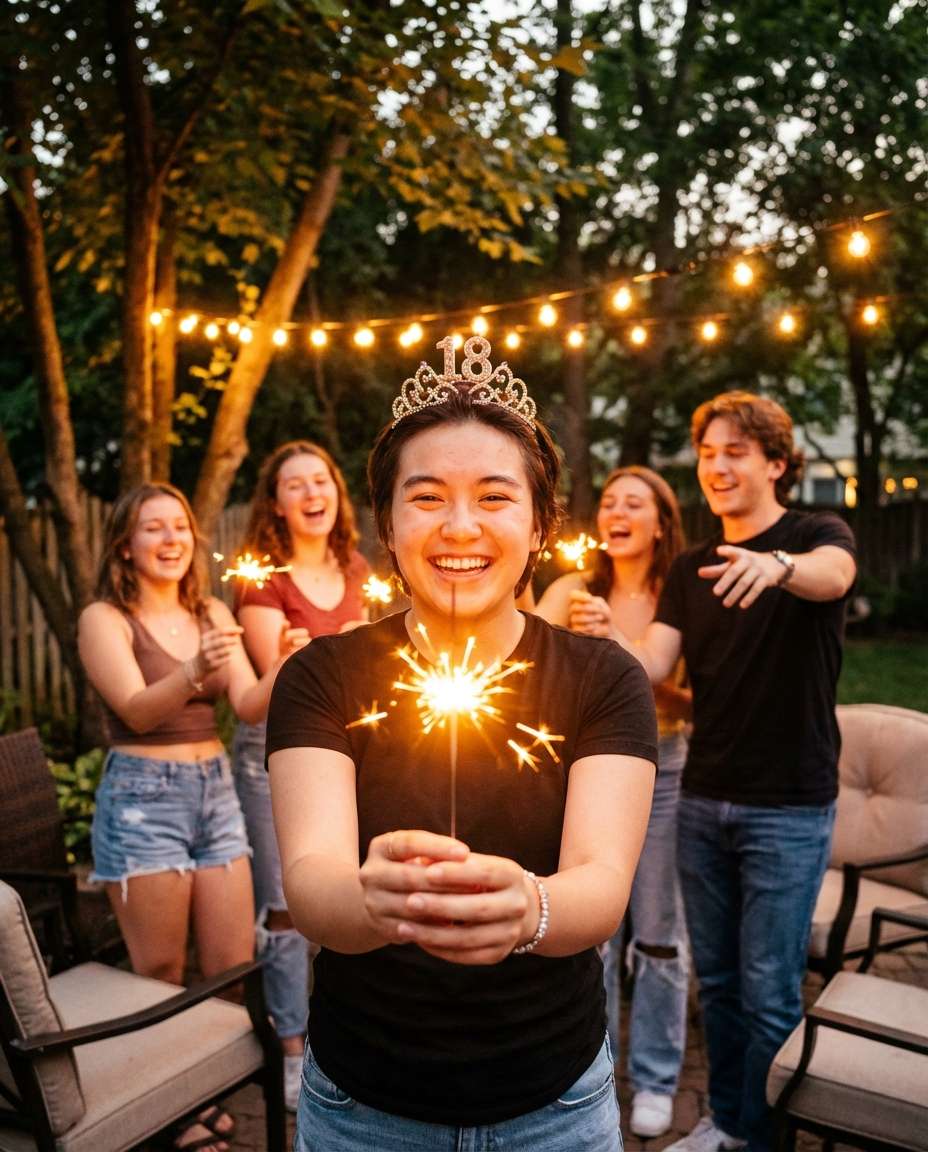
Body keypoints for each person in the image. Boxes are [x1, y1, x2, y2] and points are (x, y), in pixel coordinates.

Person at [266, 337, 658, 1151]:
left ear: (542, 522)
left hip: (555, 1105)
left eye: (493, 496)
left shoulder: (603, 680)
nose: (460, 526)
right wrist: (376, 904)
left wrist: (530, 907)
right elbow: (311, 885)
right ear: (387, 521)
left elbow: (602, 885)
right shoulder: (322, 677)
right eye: (427, 496)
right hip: (364, 1107)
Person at [615, 393, 856, 1152]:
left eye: (736, 453)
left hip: (786, 809)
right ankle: (726, 1122)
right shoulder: (690, 568)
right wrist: (587, 645)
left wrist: (778, 566)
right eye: (709, 453)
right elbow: (652, 663)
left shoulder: (815, 535)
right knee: (717, 987)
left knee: (770, 993)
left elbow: (835, 576)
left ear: (776, 464)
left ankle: (766, 1140)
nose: (717, 466)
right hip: (702, 799)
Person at [79, 482, 301, 1152]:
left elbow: (251, 704)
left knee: (232, 966)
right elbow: (137, 710)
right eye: (154, 528)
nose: (173, 539)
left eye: (179, 527)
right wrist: (189, 668)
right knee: (161, 973)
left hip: (216, 791)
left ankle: (199, 1095)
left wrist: (284, 664)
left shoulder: (209, 609)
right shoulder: (104, 619)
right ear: (125, 542)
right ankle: (169, 1114)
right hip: (145, 798)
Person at [534, 465, 691, 1139]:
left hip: (666, 769)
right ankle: (594, 1063)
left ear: (661, 523)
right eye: (608, 501)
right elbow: (523, 664)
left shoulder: (676, 595)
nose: (617, 511)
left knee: (657, 935)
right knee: (591, 929)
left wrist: (613, 643)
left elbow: (680, 691)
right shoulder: (571, 589)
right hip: (584, 770)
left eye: (636, 502)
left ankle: (656, 1078)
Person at [232, 440, 369, 1110]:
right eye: (295, 485)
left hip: (354, 754)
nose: (313, 493)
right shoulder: (265, 585)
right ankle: (292, 1049)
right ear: (276, 504)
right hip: (275, 758)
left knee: (349, 887)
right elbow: (273, 693)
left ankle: (346, 1028)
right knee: (287, 905)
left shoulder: (359, 569)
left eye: (322, 480)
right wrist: (290, 657)